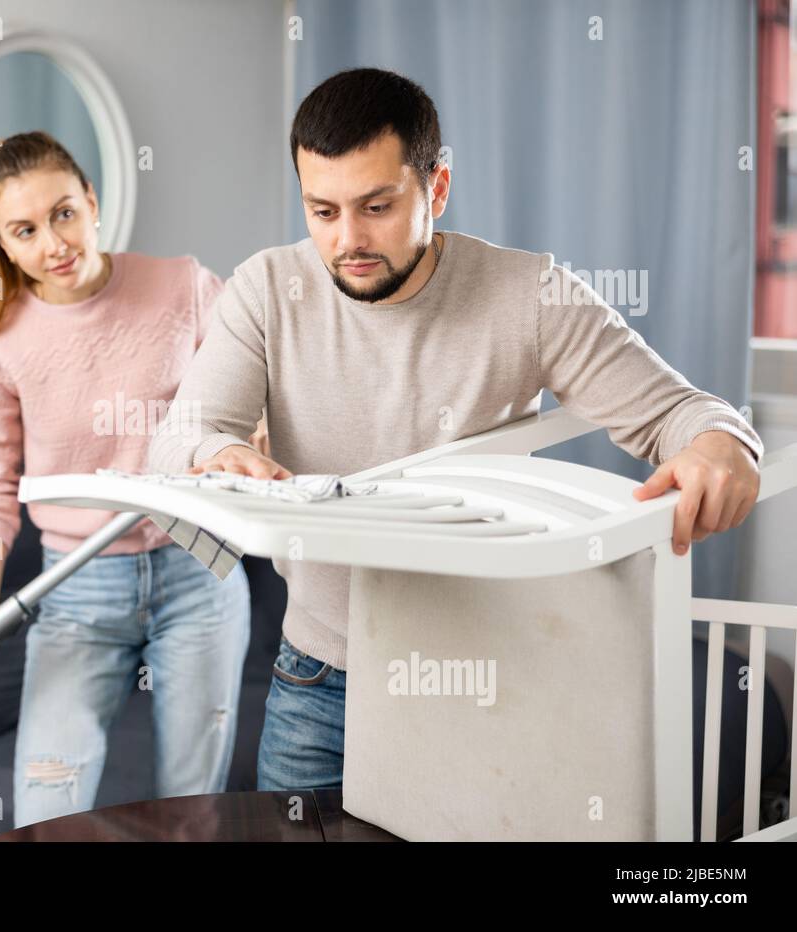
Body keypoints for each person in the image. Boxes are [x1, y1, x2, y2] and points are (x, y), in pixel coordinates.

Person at [147, 68, 764, 792]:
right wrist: (217, 451)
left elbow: (683, 412)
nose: (348, 240)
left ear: (437, 187)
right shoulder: (264, 290)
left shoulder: (531, 296)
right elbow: (177, 438)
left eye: (377, 206)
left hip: (485, 678)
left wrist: (724, 442)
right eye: (322, 211)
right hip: (317, 683)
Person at [0, 131, 253, 828]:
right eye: (25, 230)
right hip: (77, 585)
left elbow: (254, 385)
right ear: (2, 239)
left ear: (90, 199)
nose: (53, 242)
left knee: (191, 812)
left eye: (63, 213)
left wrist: (243, 439)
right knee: (46, 812)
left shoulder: (184, 286)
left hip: (197, 570)